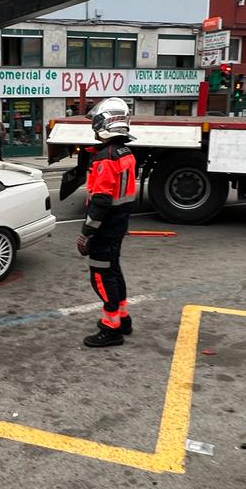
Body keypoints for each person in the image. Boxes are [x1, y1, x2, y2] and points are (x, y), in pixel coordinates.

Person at [75, 97, 137, 348]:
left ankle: (110, 329)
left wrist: (86, 233)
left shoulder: (106, 158)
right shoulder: (126, 152)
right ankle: (123, 318)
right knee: (113, 272)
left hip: (104, 229)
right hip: (118, 226)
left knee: (101, 277)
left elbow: (100, 201)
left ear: (104, 123)